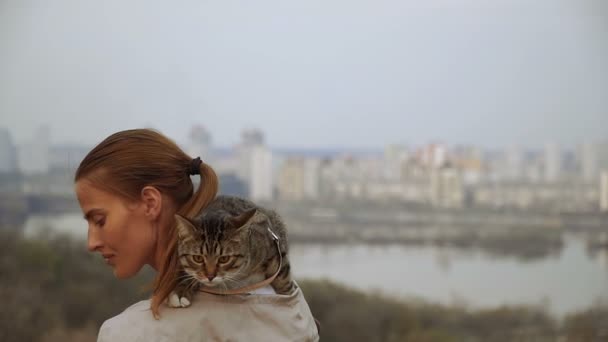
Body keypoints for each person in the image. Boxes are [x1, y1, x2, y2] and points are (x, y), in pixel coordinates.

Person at [74, 128, 319, 342]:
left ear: (150, 203)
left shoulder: (127, 334)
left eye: (100, 220)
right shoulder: (294, 307)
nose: (91, 243)